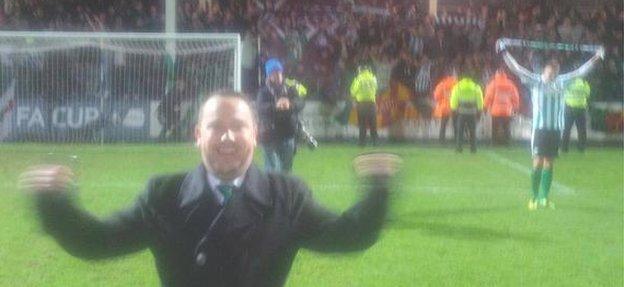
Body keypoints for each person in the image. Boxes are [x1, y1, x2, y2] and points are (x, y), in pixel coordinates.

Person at [19, 91, 400, 287]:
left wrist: (378, 188)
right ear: (198, 135)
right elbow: (97, 242)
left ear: (256, 134)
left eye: (239, 126)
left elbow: (350, 236)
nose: (228, 137)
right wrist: (54, 202)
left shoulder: (288, 196)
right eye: (216, 126)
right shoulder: (164, 195)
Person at [502, 50, 603, 210]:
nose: (552, 75)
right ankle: (533, 197)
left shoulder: (562, 82)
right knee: (537, 162)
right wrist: (504, 52)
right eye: (550, 72)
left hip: (555, 129)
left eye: (555, 72)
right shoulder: (536, 81)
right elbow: (517, 68)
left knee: (549, 162)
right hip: (540, 129)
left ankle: (544, 198)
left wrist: (597, 57)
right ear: (544, 71)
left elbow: (581, 72)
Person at [257, 58, 303, 173]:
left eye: (279, 72)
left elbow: (301, 103)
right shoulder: (263, 92)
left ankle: (284, 190)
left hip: (288, 134)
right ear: (269, 75)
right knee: (271, 169)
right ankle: (270, 190)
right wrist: (276, 106)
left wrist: (289, 104)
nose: (277, 75)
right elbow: (260, 109)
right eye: (274, 73)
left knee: (286, 169)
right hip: (269, 135)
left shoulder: (290, 89)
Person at [484, 69, 520, 146]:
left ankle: (494, 142)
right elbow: (515, 97)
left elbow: (488, 96)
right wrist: (516, 107)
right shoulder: (510, 84)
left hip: (495, 110)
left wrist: (485, 106)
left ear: (496, 74)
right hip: (507, 110)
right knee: (506, 127)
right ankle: (507, 142)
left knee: (495, 128)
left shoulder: (493, 83)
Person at [449, 72, 484, 153]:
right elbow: (480, 100)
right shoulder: (476, 87)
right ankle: (473, 148)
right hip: (472, 113)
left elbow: (454, 99)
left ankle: (459, 148)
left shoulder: (457, 86)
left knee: (460, 131)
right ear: (471, 79)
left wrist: (453, 109)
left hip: (461, 113)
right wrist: (480, 110)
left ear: (462, 78)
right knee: (472, 131)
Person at [350, 65, 378, 146]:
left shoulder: (358, 79)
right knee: (373, 123)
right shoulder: (373, 78)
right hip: (372, 103)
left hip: (362, 104)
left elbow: (353, 91)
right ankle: (375, 141)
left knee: (362, 124)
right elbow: (376, 88)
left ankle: (362, 142)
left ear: (360, 71)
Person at [562, 77, 591, 152]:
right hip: (581, 108)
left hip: (569, 107)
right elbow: (587, 94)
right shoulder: (584, 83)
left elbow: (563, 91)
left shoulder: (569, 82)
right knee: (582, 130)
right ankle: (582, 148)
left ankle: (564, 148)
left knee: (566, 129)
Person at [432, 70, 457, 144]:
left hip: (444, 107)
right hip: (454, 106)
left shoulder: (441, 84)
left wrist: (441, 100)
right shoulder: (456, 84)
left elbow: (436, 97)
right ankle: (457, 140)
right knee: (456, 124)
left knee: (443, 124)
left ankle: (441, 140)